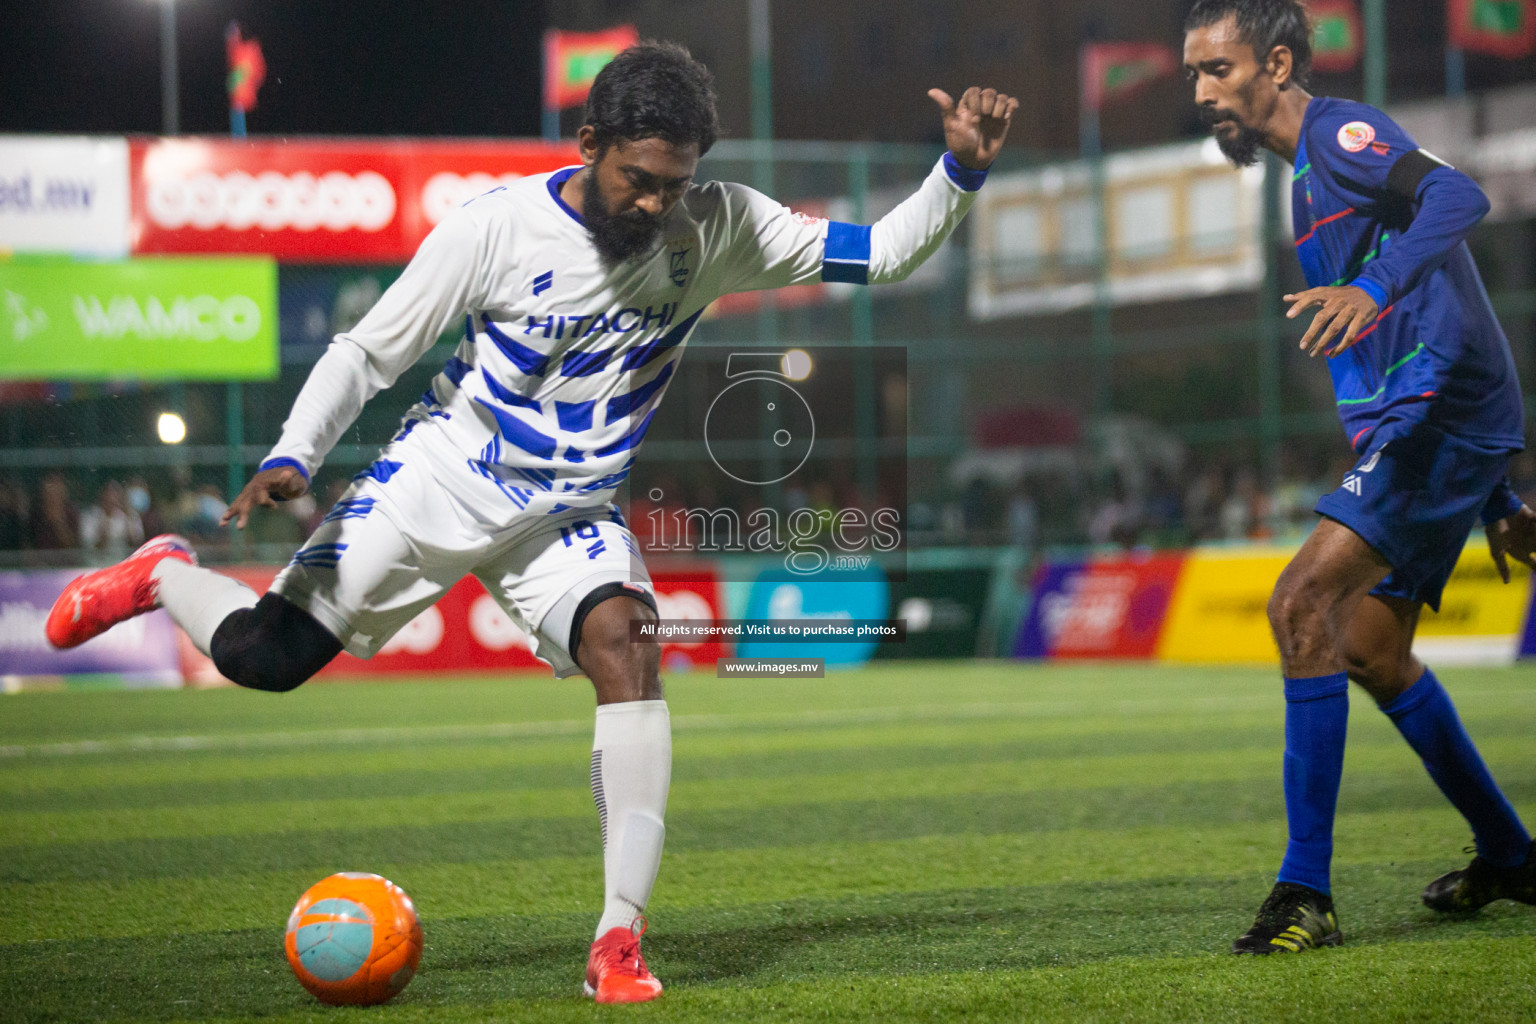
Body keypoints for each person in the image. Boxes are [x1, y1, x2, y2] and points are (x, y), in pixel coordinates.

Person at [45, 42, 1016, 1001]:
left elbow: (883, 253)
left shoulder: (717, 226)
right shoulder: (494, 229)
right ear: (589, 142)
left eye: (676, 185)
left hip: (568, 514)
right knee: (266, 657)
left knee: (630, 640)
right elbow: (368, 351)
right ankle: (164, 570)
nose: (656, 204)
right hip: (438, 481)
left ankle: (618, 940)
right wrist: (295, 451)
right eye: (640, 179)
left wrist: (961, 167)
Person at [1184, 0, 1536, 955]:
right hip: (1438, 426)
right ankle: (1512, 855)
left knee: (1300, 606)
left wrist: (1370, 287)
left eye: (1218, 69)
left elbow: (1460, 199)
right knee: (1372, 652)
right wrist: (1498, 490)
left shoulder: (1343, 135)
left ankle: (1305, 893)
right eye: (1194, 75)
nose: (1203, 91)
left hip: (1436, 422)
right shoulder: (1308, 178)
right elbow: (1445, 309)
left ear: (1280, 62)